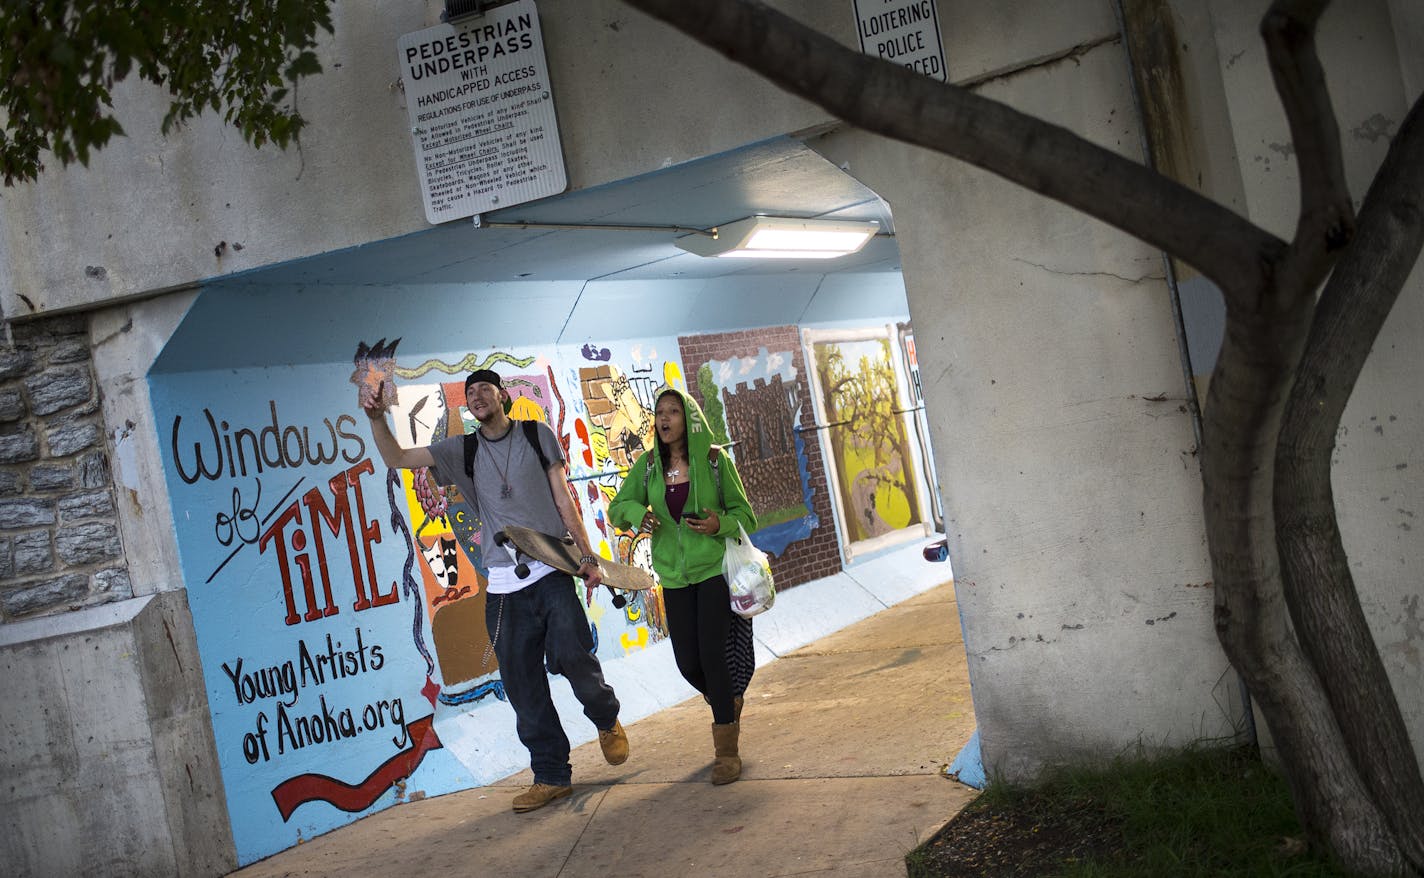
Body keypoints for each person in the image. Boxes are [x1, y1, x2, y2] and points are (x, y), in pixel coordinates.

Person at [360, 368, 628, 813]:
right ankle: (551, 775)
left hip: (552, 571)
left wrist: (587, 555)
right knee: (522, 685)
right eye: (470, 393)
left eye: (485, 388)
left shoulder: (535, 434)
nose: (477, 396)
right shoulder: (461, 450)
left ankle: (605, 716)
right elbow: (398, 458)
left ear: (502, 395)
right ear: (468, 406)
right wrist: (375, 420)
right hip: (504, 587)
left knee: (574, 657)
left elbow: (563, 497)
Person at [608, 387, 757, 784]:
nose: (665, 419)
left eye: (673, 411)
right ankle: (729, 700)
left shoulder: (713, 461)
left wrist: (717, 524)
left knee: (711, 654)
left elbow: (746, 515)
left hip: (712, 572)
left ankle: (727, 751)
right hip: (672, 577)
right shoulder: (648, 468)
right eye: (659, 412)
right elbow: (616, 508)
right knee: (686, 661)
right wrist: (639, 512)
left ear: (688, 418)